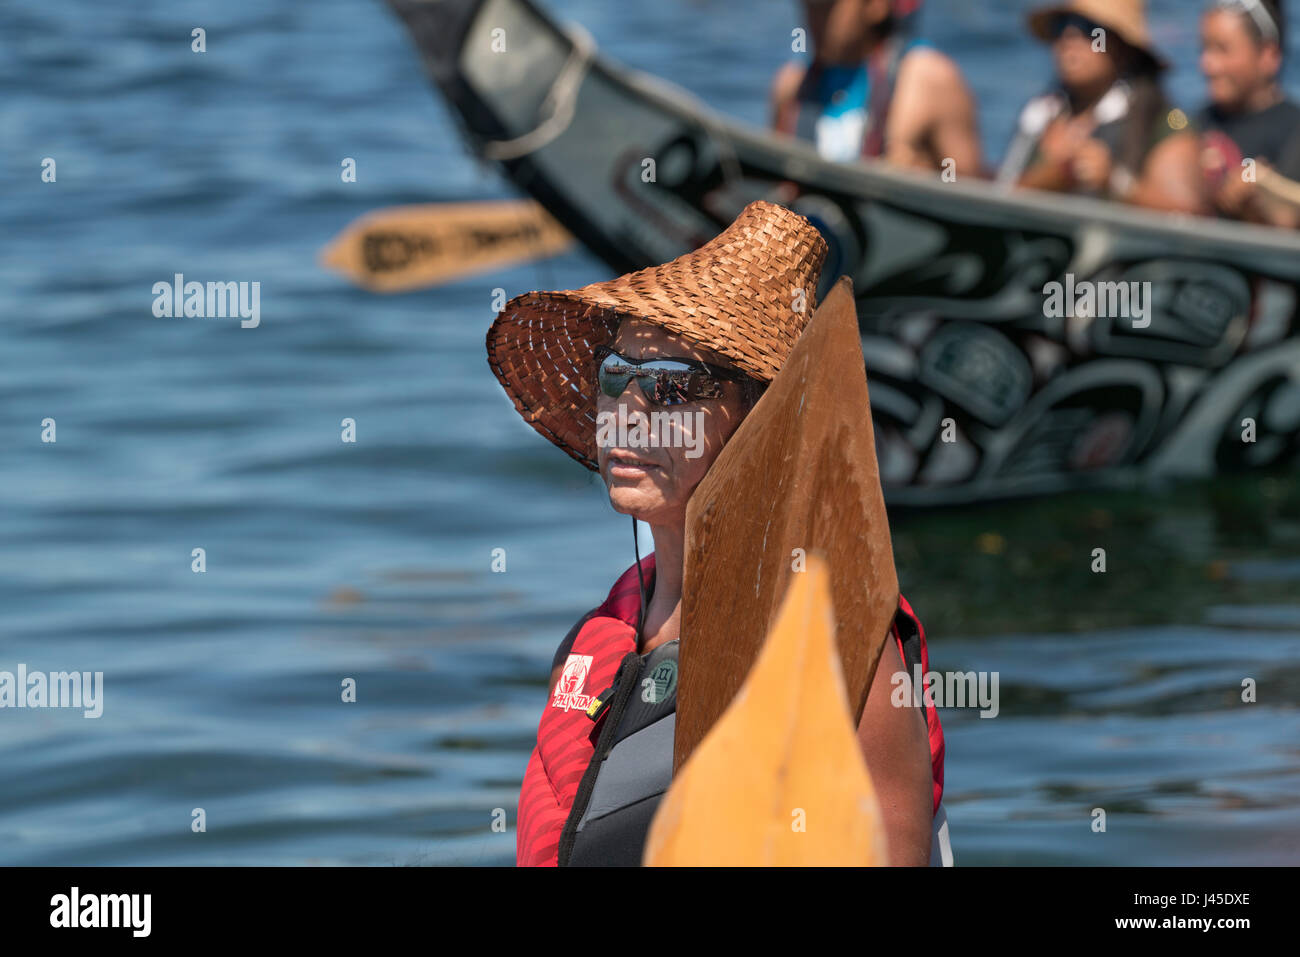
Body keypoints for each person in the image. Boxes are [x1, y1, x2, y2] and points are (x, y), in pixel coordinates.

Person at [488, 201, 950, 866]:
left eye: (675, 389)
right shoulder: (596, 640)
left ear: (759, 421)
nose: (630, 412)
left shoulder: (834, 635)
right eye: (617, 377)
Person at [999, 0, 1208, 214]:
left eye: (1090, 29)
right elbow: (998, 198)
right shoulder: (1040, 114)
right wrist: (1053, 174)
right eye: (1061, 26)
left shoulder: (1166, 122)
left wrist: (1116, 184)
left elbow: (1187, 216)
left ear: (1122, 48)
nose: (1069, 39)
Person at [771, 0, 982, 176]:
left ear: (875, 5)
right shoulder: (791, 85)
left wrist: (920, 179)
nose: (814, 20)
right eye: (809, 6)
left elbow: (971, 197)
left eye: (828, 7)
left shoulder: (930, 78)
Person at [1199, 0, 1300, 228]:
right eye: (1204, 48)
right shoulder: (1190, 124)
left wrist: (1256, 205)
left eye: (1222, 49)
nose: (1207, 65)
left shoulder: (1294, 131)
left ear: (1268, 55)